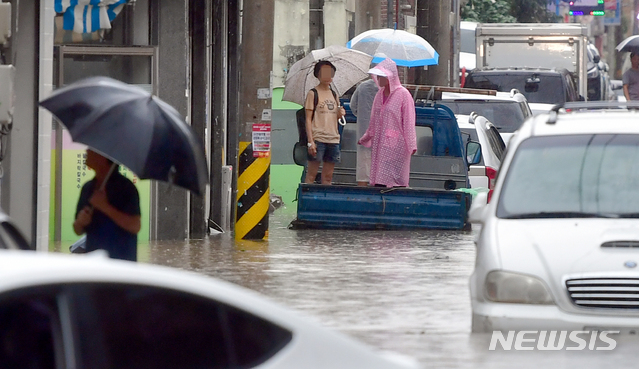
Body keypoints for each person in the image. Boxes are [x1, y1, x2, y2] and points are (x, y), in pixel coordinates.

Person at [358, 58, 416, 188]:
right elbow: (373, 120)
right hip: (380, 143)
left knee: (395, 181)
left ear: (390, 76)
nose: (378, 79)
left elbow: (409, 121)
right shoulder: (379, 95)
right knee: (379, 180)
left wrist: (411, 144)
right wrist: (366, 137)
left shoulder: (403, 95)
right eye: (377, 76)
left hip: (398, 146)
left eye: (381, 76)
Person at [73, 149, 141, 261]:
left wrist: (105, 207)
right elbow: (77, 229)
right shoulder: (88, 188)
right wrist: (80, 222)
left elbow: (135, 226)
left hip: (121, 263)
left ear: (102, 157)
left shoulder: (126, 188)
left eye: (91, 150)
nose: (87, 151)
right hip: (95, 263)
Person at [304, 60, 346, 184]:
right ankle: (308, 201)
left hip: (333, 139)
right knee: (311, 175)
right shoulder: (313, 93)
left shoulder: (334, 94)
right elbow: (308, 118)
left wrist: (340, 114)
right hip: (318, 138)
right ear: (318, 75)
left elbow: (335, 117)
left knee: (328, 176)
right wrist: (310, 141)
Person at [349, 78, 377, 186]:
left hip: (363, 134)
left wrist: (362, 116)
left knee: (363, 172)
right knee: (380, 175)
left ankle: (363, 199)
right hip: (383, 139)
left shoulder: (362, 87)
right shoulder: (389, 88)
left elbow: (353, 106)